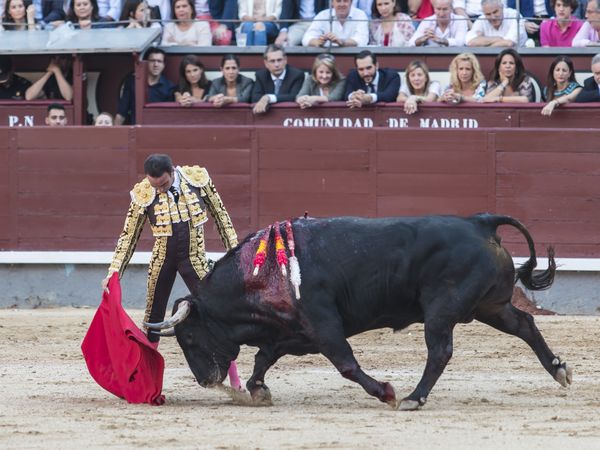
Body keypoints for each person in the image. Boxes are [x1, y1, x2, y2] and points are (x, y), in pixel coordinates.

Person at [102, 154, 238, 355]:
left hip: (195, 257)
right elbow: (128, 237)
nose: (160, 189)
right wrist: (114, 271)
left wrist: (235, 253)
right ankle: (149, 374)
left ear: (172, 171)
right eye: (155, 185)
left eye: (164, 184)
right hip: (162, 259)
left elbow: (221, 215)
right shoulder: (143, 193)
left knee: (214, 311)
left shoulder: (197, 180)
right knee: (152, 318)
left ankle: (233, 377)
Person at [116, 47, 176, 125]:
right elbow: (121, 113)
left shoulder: (169, 87)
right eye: (152, 61)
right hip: (137, 132)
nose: (156, 65)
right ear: (145, 63)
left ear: (164, 65)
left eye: (159, 61)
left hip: (158, 132)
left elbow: (169, 117)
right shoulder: (132, 82)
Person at [251, 44, 305, 114]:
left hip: (289, 115)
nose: (276, 65)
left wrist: (269, 98)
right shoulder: (261, 75)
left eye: (279, 60)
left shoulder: (297, 75)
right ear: (266, 63)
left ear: (285, 60)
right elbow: (255, 98)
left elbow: (293, 96)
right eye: (272, 61)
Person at [302, 0, 369, 47]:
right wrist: (318, 42)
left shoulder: (360, 15)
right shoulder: (323, 15)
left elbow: (362, 40)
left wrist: (342, 42)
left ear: (351, 2)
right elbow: (306, 38)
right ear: (332, 3)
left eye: (345, 1)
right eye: (338, 1)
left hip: (354, 57)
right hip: (327, 56)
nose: (342, 4)